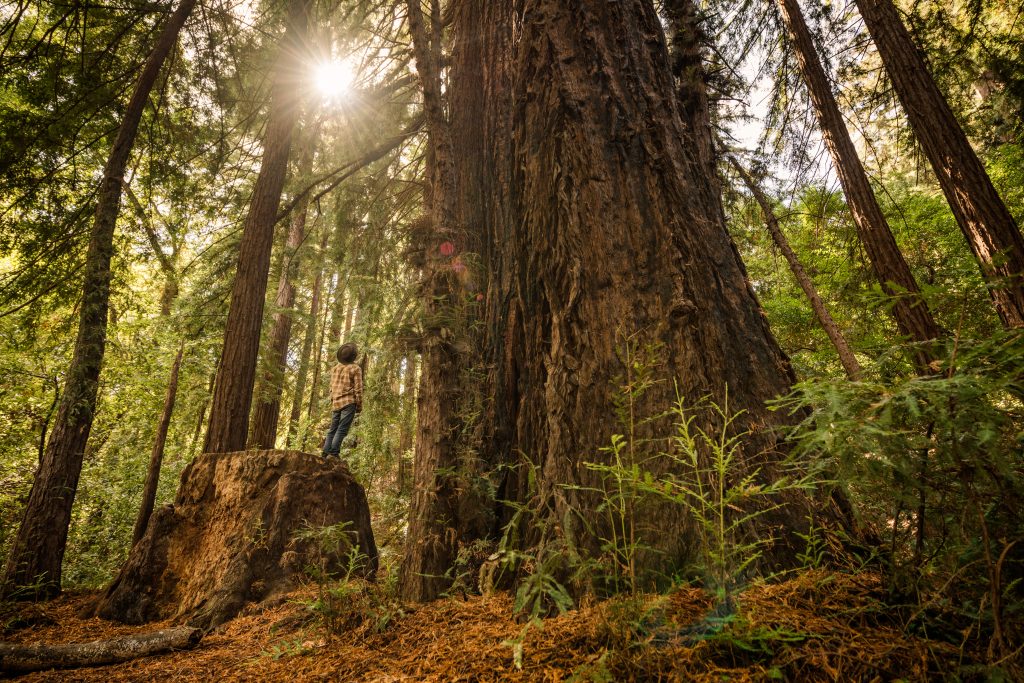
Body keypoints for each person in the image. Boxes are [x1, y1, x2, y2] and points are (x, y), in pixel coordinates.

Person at [322, 342, 362, 457]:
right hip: (349, 403)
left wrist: (333, 400)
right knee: (341, 430)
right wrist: (359, 405)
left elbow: (331, 387)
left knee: (332, 429)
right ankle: (334, 454)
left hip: (336, 403)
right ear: (353, 356)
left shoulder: (335, 368)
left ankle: (325, 454)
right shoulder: (356, 368)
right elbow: (358, 389)